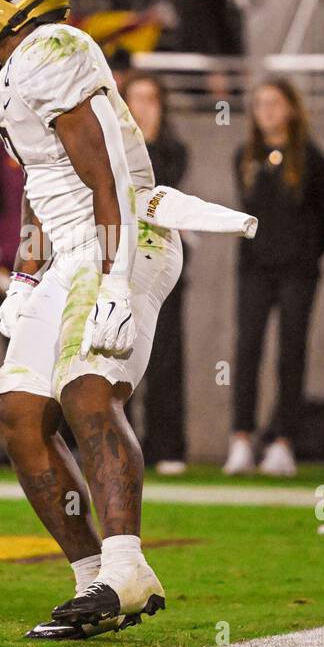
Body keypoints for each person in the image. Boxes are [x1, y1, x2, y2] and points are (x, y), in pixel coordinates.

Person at [0, 0, 221, 639]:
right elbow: (40, 175)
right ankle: (93, 580)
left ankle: (128, 567)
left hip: (121, 233)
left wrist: (118, 278)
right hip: (69, 248)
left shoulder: (55, 48)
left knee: (87, 390)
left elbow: (110, 175)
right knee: (19, 420)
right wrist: (30, 271)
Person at [225, 79, 324, 478]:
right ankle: (241, 437)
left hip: (298, 270)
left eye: (274, 103)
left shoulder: (311, 159)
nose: (266, 112)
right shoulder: (246, 156)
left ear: (290, 108)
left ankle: (283, 440)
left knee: (291, 352)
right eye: (259, 104)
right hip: (254, 268)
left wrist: (303, 253)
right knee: (247, 349)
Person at [123, 71, 192, 475]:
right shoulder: (107, 149)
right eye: (136, 98)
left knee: (165, 356)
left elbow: (155, 191)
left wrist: (142, 140)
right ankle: (119, 441)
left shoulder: (172, 150)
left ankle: (168, 445)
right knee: (117, 356)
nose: (144, 107)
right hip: (119, 267)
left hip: (160, 267)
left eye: (152, 99)